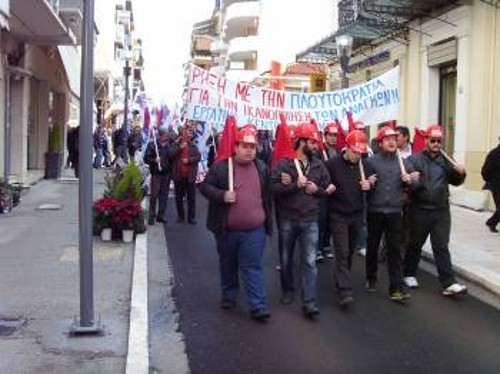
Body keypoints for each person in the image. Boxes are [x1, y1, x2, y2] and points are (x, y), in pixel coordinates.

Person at [199, 125, 273, 322]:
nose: (249, 150)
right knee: (228, 264)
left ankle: (258, 305)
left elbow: (268, 192)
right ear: (236, 147)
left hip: (255, 230)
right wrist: (222, 195)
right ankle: (229, 295)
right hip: (226, 229)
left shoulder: (262, 168)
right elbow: (205, 187)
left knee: (252, 266)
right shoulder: (222, 167)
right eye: (245, 146)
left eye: (252, 146)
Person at [271, 122, 333, 319]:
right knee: (286, 258)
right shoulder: (284, 164)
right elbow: (273, 190)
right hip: (288, 219)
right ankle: (288, 290)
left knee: (309, 261)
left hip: (310, 219)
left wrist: (318, 190)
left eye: (315, 142)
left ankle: (309, 301)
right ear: (300, 141)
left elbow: (327, 189)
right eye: (311, 141)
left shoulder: (318, 164)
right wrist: (292, 186)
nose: (315, 145)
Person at [403, 124, 468, 296]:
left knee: (441, 246)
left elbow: (455, 181)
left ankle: (449, 283)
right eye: (433, 140)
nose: (436, 144)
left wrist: (460, 173)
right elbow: (408, 180)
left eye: (439, 141)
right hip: (420, 209)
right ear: (426, 140)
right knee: (415, 243)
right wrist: (412, 180)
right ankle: (409, 273)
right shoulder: (414, 159)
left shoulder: (446, 160)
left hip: (441, 210)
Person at [364, 126, 419, 302]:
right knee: (372, 247)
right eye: (387, 139)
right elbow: (363, 186)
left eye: (394, 139)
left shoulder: (403, 162)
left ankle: (396, 288)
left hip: (395, 212)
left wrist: (411, 180)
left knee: (395, 250)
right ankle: (371, 277)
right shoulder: (371, 162)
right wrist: (368, 184)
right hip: (375, 212)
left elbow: (416, 183)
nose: (391, 141)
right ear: (380, 143)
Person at [326, 130, 371, 307]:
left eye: (360, 152)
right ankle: (345, 290)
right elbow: (323, 181)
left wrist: (370, 184)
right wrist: (327, 187)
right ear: (346, 148)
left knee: (350, 251)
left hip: (356, 214)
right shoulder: (332, 164)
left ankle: (341, 277)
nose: (357, 155)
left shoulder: (365, 165)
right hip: (338, 215)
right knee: (342, 251)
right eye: (354, 152)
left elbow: (375, 182)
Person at [315, 122, 339, 262]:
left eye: (335, 135)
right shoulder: (319, 151)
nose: (333, 138)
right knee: (321, 219)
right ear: (325, 136)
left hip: (335, 191)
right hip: (323, 190)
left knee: (330, 219)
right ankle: (317, 247)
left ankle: (326, 245)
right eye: (331, 135)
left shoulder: (338, 150)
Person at [171, 127, 201, 224]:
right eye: (185, 134)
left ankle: (191, 217)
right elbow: (171, 155)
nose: (187, 136)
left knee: (191, 198)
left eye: (189, 135)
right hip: (178, 176)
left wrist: (189, 160)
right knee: (179, 198)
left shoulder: (193, 146)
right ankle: (181, 216)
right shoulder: (176, 144)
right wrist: (180, 148)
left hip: (190, 177)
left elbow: (198, 157)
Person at [143, 126, 172, 225]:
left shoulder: (169, 145)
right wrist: (154, 160)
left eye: (167, 135)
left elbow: (172, 158)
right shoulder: (152, 145)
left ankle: (161, 216)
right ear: (160, 135)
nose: (167, 136)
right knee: (154, 195)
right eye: (165, 135)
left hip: (166, 174)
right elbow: (145, 158)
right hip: (156, 174)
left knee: (164, 196)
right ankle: (152, 216)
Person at [481, 137, 500, 233]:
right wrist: (492, 181)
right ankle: (492, 222)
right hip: (497, 185)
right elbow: (485, 171)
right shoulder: (493, 154)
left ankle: (491, 222)